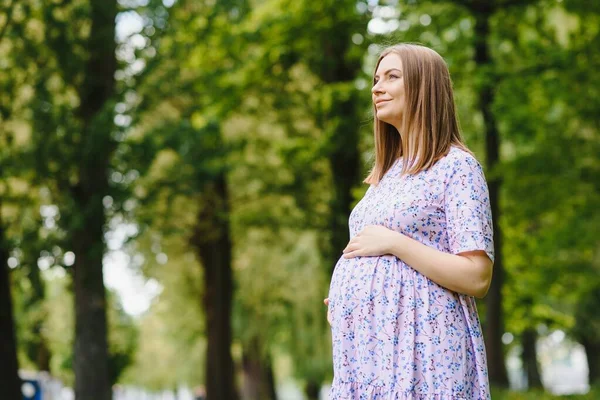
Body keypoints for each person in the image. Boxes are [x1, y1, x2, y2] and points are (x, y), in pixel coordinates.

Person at [324, 43, 495, 400]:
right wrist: (348, 299)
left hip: (425, 356)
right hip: (369, 359)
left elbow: (477, 276)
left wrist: (394, 243)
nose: (376, 87)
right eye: (375, 79)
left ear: (423, 86)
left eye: (391, 76)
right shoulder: (386, 176)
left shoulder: (457, 168)